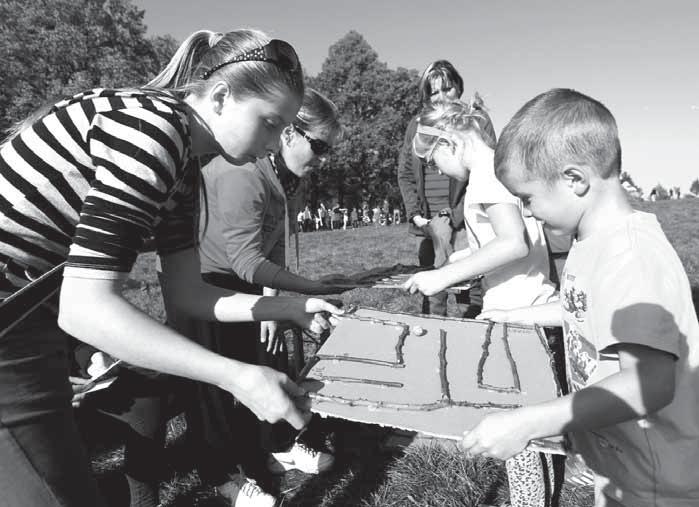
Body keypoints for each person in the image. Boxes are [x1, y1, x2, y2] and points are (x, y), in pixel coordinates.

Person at [0, 28, 342, 507]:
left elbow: (188, 294)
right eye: (269, 123)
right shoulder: (153, 133)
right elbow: (84, 309)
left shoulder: (185, 164)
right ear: (221, 96)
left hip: (24, 312)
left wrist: (289, 306)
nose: (274, 144)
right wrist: (238, 376)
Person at [465, 88, 699, 507]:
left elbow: (651, 383)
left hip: (657, 480)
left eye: (528, 198)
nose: (529, 213)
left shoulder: (630, 255)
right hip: (622, 463)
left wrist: (529, 422)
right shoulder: (592, 240)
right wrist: (515, 315)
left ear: (574, 179)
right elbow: (585, 308)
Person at [189, 88, 345, 505]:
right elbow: (243, 258)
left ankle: (279, 444)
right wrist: (306, 291)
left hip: (250, 285)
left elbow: (274, 247)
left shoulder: (288, 179)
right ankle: (225, 474)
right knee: (219, 384)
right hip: (207, 287)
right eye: (320, 146)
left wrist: (275, 303)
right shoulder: (244, 172)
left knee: (265, 364)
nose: (324, 158)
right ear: (291, 134)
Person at [403, 96, 558, 507]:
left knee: (520, 436)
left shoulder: (487, 176)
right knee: (534, 431)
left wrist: (443, 276)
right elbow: (497, 243)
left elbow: (513, 243)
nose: (436, 171)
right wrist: (459, 260)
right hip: (525, 314)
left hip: (520, 321)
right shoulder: (499, 171)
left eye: (434, 160)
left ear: (451, 142)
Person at [397, 60, 481, 316]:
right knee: (433, 286)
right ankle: (434, 337)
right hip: (428, 220)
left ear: (458, 87)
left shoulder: (473, 119)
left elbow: (483, 170)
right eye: (434, 92)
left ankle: (473, 334)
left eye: (447, 89)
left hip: (464, 219)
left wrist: (455, 216)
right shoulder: (417, 124)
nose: (442, 97)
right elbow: (406, 172)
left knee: (470, 286)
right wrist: (416, 214)